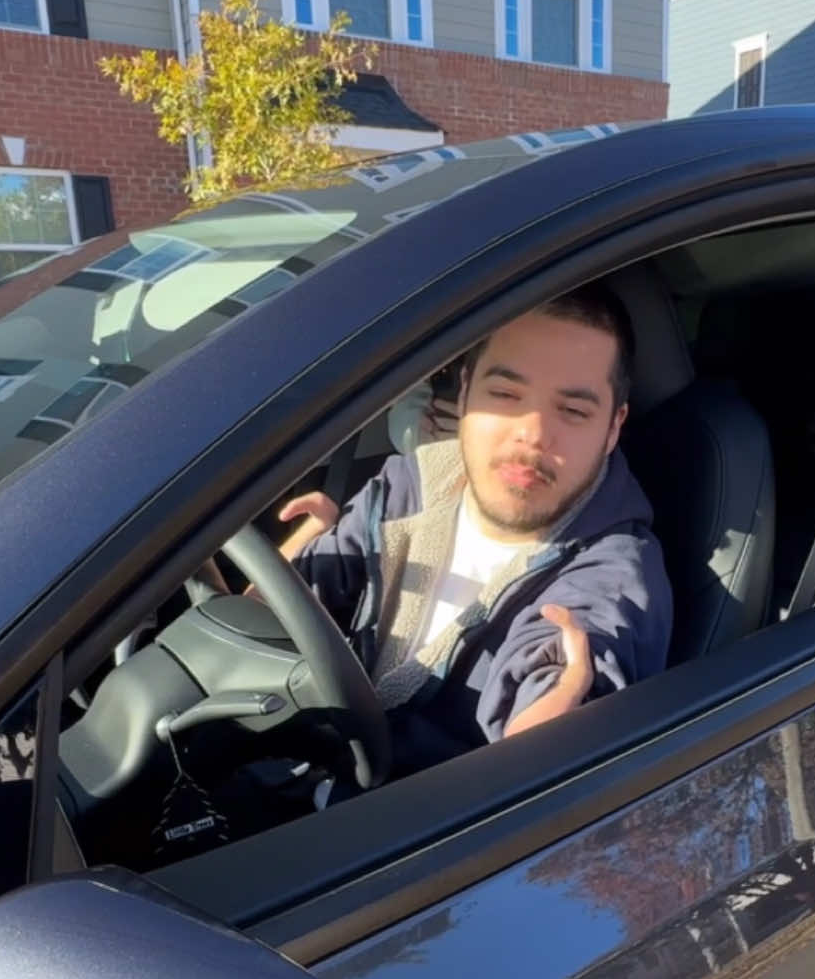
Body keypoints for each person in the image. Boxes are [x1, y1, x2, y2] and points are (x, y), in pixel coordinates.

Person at [277, 286, 673, 775]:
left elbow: (555, 684)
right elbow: (272, 625)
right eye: (506, 395)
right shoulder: (409, 485)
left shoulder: (611, 574)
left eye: (572, 411)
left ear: (613, 428)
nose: (531, 433)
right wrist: (303, 545)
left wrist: (562, 708)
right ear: (464, 393)